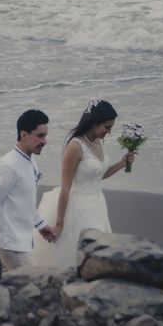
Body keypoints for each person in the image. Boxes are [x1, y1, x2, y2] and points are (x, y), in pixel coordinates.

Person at [32, 98, 135, 268]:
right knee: (81, 254)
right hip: (78, 207)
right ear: (94, 123)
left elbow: (97, 175)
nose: (109, 132)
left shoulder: (98, 142)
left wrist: (122, 163)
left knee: (98, 253)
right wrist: (59, 224)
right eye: (107, 127)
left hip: (98, 205)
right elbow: (65, 187)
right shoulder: (75, 147)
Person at [0, 109, 57, 271]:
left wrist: (40, 225)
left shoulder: (31, 161)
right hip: (9, 243)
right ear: (23, 134)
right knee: (32, 284)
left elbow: (25, 201)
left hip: (23, 241)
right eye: (40, 136)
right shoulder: (8, 166)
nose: (45, 141)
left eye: (45, 135)